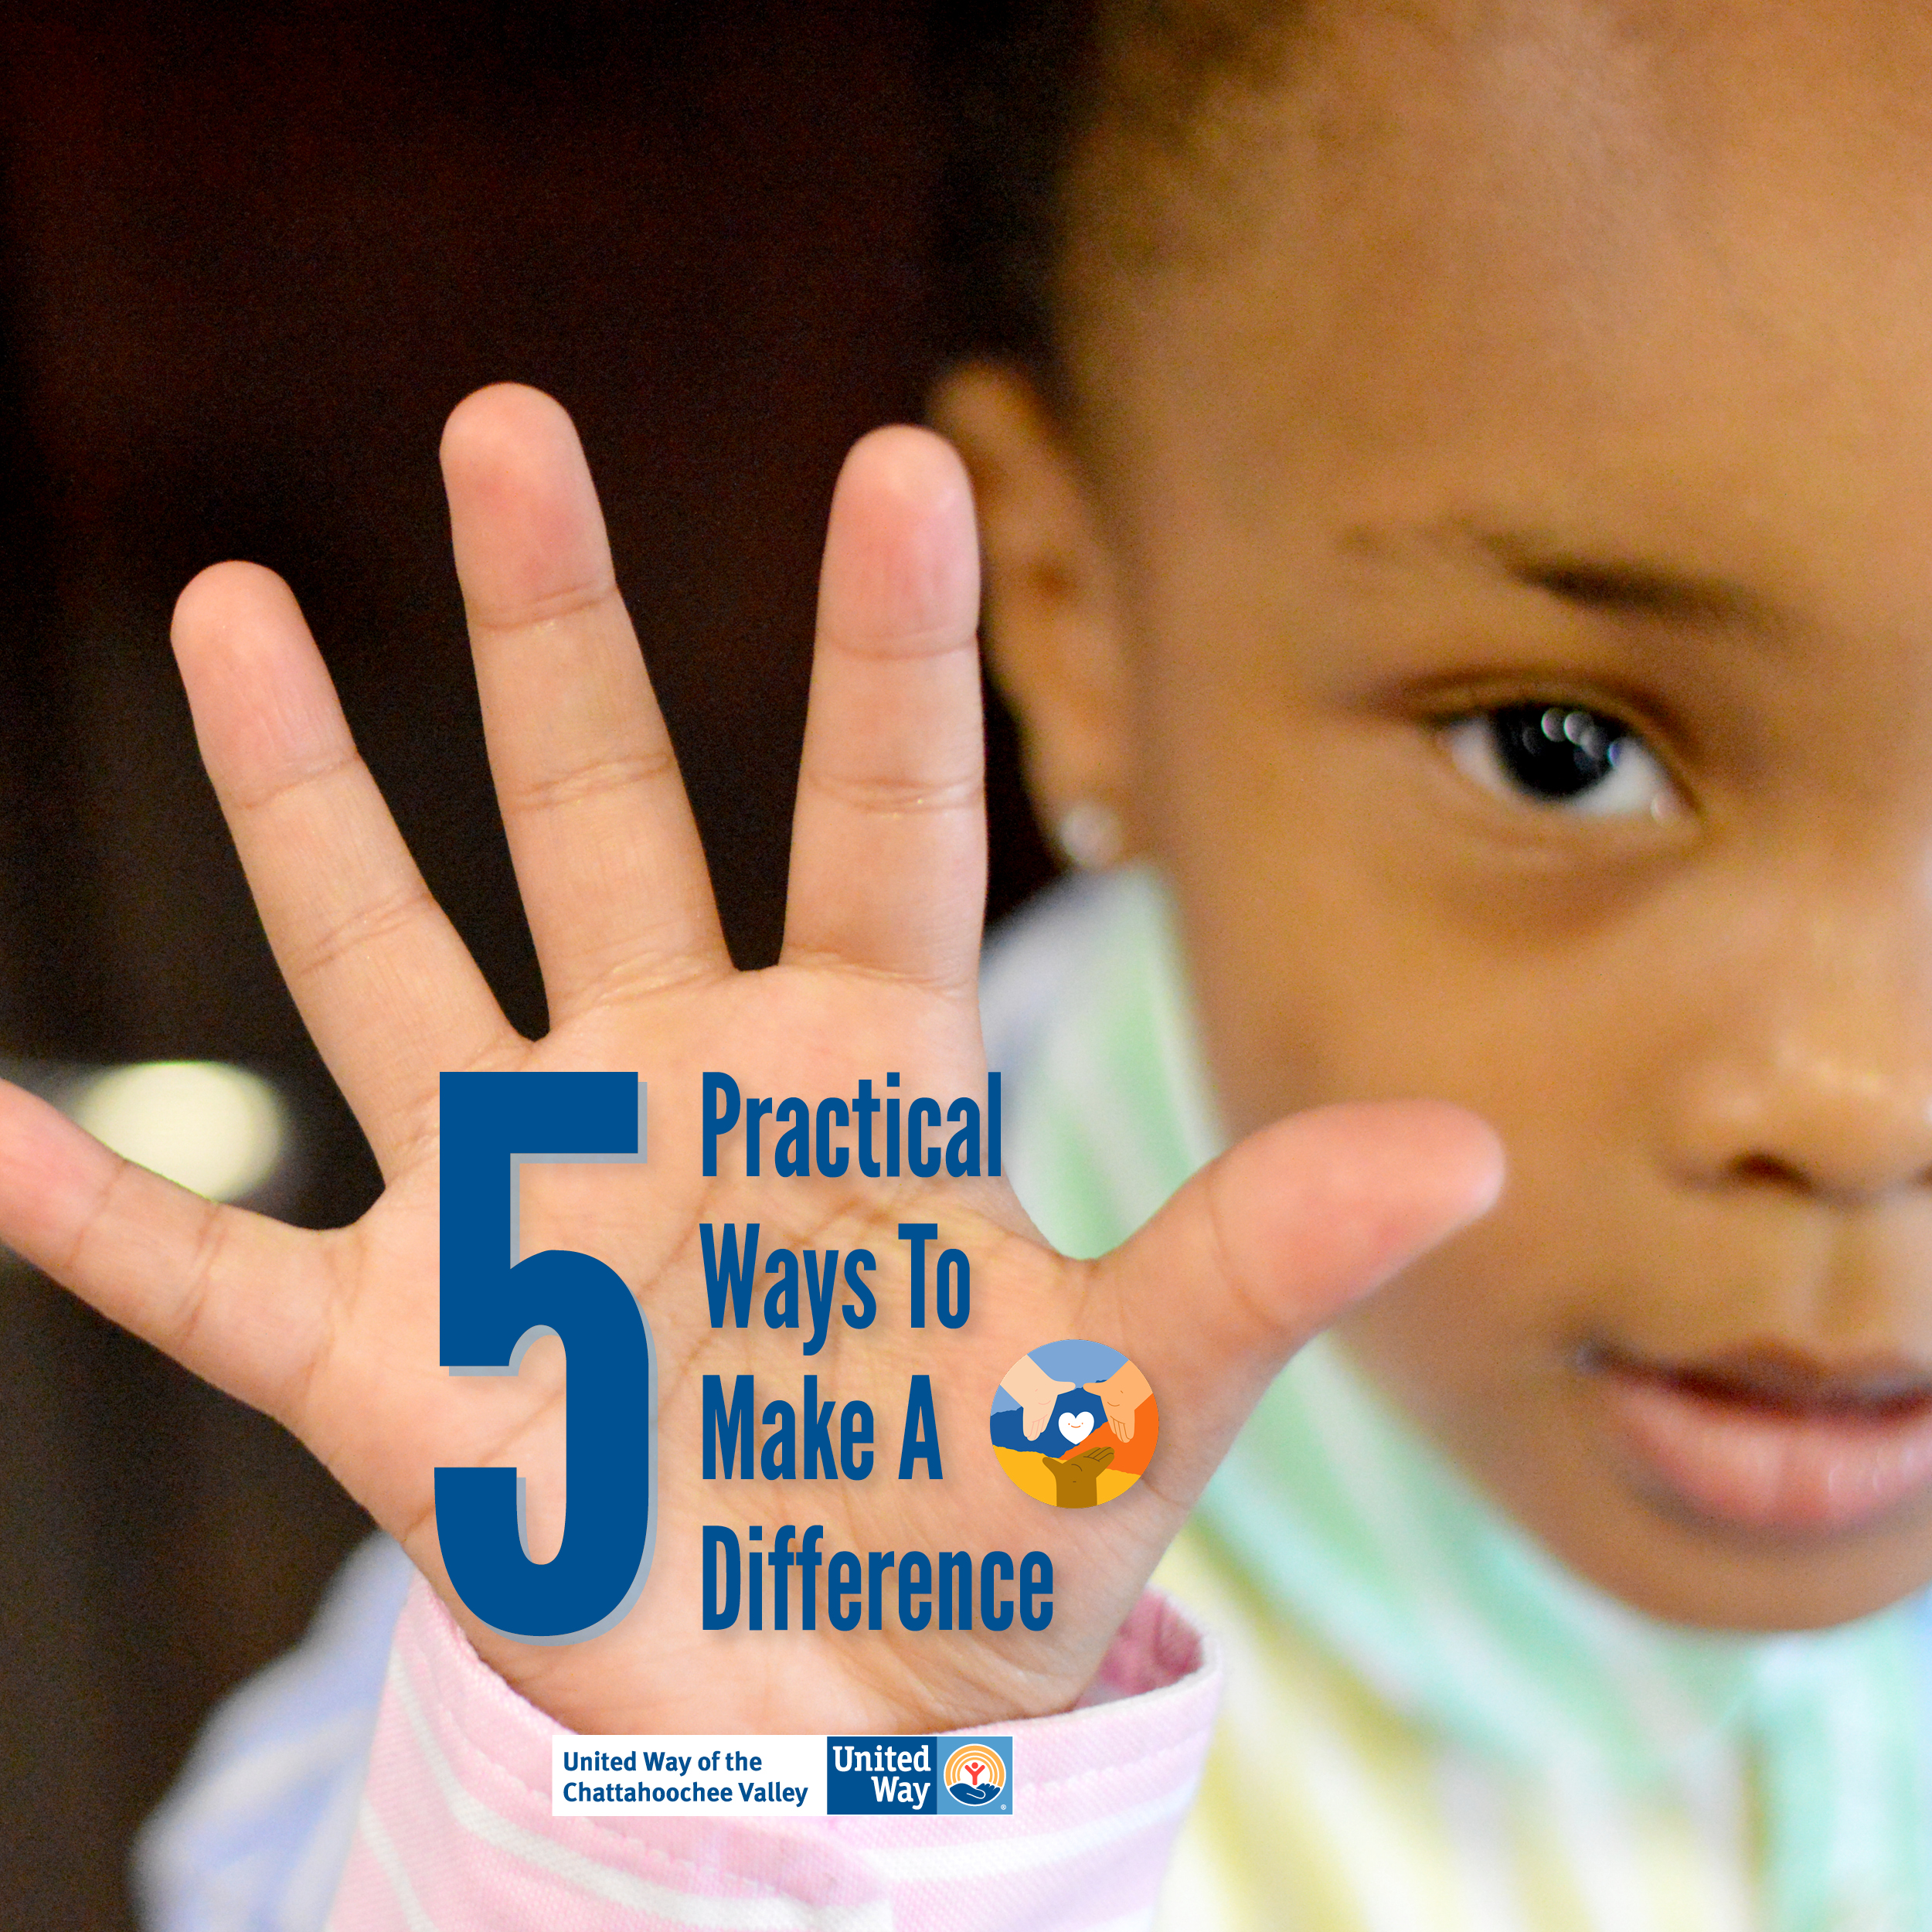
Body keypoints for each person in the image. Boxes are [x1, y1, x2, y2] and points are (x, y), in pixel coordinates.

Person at [12, 0, 1932, 1923]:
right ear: (1073, 616)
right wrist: (735, 1829)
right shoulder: (725, 1443)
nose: (1866, 1100)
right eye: (1555, 749)